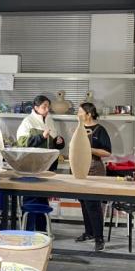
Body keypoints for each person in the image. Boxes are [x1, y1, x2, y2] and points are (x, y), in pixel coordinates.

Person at [16, 95, 65, 230]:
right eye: (44, 106)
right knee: (31, 199)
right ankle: (28, 232)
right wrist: (41, 136)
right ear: (36, 107)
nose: (47, 109)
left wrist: (59, 142)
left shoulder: (50, 120)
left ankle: (42, 231)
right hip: (32, 168)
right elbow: (22, 142)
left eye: (48, 106)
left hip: (47, 167)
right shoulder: (28, 121)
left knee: (43, 198)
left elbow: (53, 143)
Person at [74, 102, 111, 251]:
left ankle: (99, 238)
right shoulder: (79, 129)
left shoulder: (100, 130)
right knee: (83, 202)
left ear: (88, 114)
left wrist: (89, 149)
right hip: (80, 168)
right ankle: (89, 232)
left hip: (95, 168)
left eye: (80, 112)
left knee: (93, 205)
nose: (77, 114)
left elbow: (107, 152)